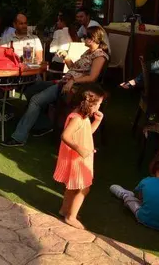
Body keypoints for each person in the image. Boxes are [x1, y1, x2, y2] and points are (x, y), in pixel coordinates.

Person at [2, 26, 110, 147]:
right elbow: (75, 69)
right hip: (64, 82)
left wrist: (72, 81)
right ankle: (44, 124)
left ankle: (19, 137)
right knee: (31, 89)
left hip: (73, 88)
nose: (83, 38)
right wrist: (66, 57)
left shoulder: (99, 56)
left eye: (85, 37)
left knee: (36, 100)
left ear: (92, 39)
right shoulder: (88, 52)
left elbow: (92, 78)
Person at [53, 83, 105, 229]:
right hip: (78, 159)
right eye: (98, 104)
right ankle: (71, 217)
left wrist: (97, 121)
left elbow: (87, 133)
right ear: (90, 104)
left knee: (72, 187)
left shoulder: (83, 116)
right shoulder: (77, 118)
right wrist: (79, 148)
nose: (99, 107)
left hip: (80, 157)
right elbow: (65, 136)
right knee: (84, 188)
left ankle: (65, 210)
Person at [110, 152, 159, 231]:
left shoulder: (146, 181)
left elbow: (139, 196)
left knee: (130, 199)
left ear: (156, 167)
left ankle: (124, 194)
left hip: (144, 219)